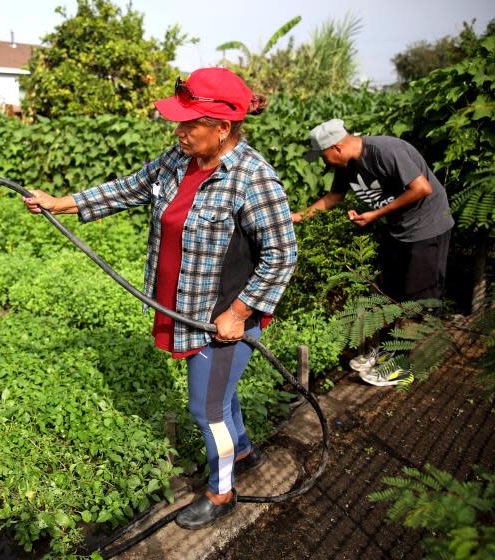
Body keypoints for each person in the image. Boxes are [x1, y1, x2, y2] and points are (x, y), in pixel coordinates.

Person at [23, 68, 297, 529]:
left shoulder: (253, 179)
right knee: (220, 398)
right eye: (179, 122)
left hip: (220, 318)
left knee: (205, 408)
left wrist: (239, 311)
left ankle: (221, 492)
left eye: (191, 123)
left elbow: (282, 254)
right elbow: (130, 188)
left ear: (223, 127)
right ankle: (243, 451)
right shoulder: (179, 159)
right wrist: (60, 202)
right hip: (182, 305)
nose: (180, 131)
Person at [293, 119, 454, 386]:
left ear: (337, 148)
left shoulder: (386, 151)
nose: (324, 163)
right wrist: (297, 217)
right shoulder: (347, 164)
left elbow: (422, 188)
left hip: (428, 228)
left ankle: (400, 366)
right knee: (384, 292)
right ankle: (387, 351)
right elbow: (334, 197)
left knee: (417, 300)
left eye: (324, 156)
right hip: (399, 230)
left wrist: (375, 214)